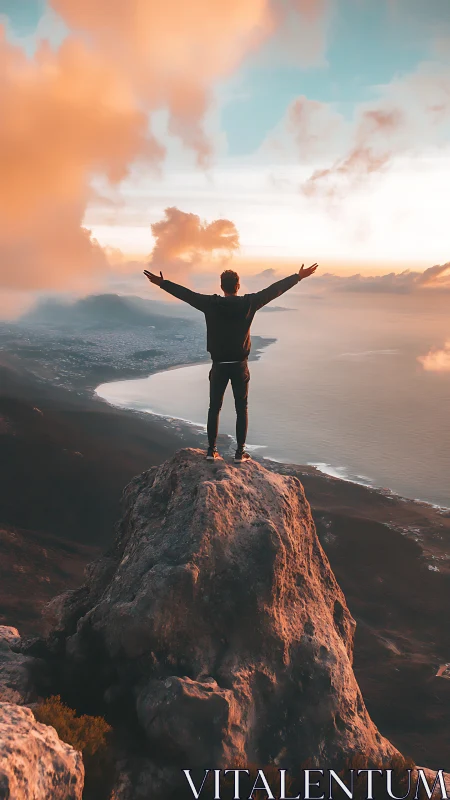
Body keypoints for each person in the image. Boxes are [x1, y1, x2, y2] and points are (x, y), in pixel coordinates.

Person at [144, 263, 318, 462]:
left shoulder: (210, 303)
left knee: (214, 408)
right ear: (238, 286)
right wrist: (298, 276)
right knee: (241, 408)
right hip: (239, 365)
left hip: (219, 365)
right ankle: (239, 452)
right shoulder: (249, 303)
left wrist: (162, 283)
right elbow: (274, 291)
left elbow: (187, 294)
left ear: (221, 286)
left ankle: (211, 450)